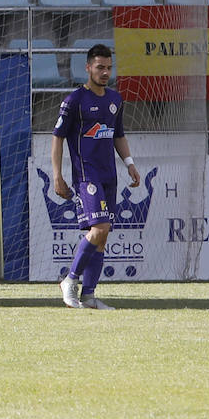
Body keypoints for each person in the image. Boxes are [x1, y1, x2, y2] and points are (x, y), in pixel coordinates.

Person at [51, 43, 140, 310]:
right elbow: (57, 139)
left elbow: (118, 135)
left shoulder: (115, 100)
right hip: (86, 176)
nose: (105, 72)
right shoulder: (75, 101)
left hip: (109, 176)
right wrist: (57, 176)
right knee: (99, 228)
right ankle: (70, 280)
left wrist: (130, 163)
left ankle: (88, 295)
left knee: (102, 235)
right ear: (88, 67)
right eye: (100, 67)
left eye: (109, 68)